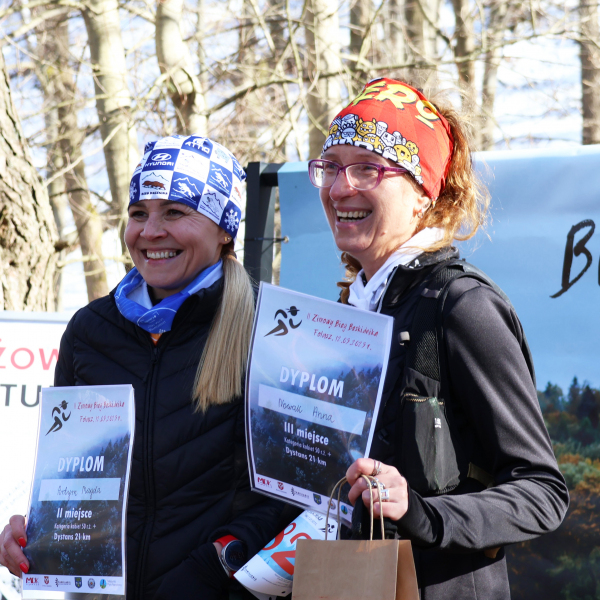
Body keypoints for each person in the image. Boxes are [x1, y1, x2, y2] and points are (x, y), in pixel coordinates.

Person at [308, 78, 569, 599]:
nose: (338, 189)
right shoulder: (348, 311)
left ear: (424, 196)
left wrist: (424, 514)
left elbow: (543, 492)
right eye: (331, 166)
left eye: (367, 168)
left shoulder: (462, 306)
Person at [0, 135, 284, 600]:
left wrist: (214, 566)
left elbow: (294, 499)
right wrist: (36, 534)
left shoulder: (269, 329)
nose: (150, 232)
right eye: (138, 213)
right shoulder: (89, 331)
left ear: (224, 229)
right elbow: (74, 483)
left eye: (174, 212)